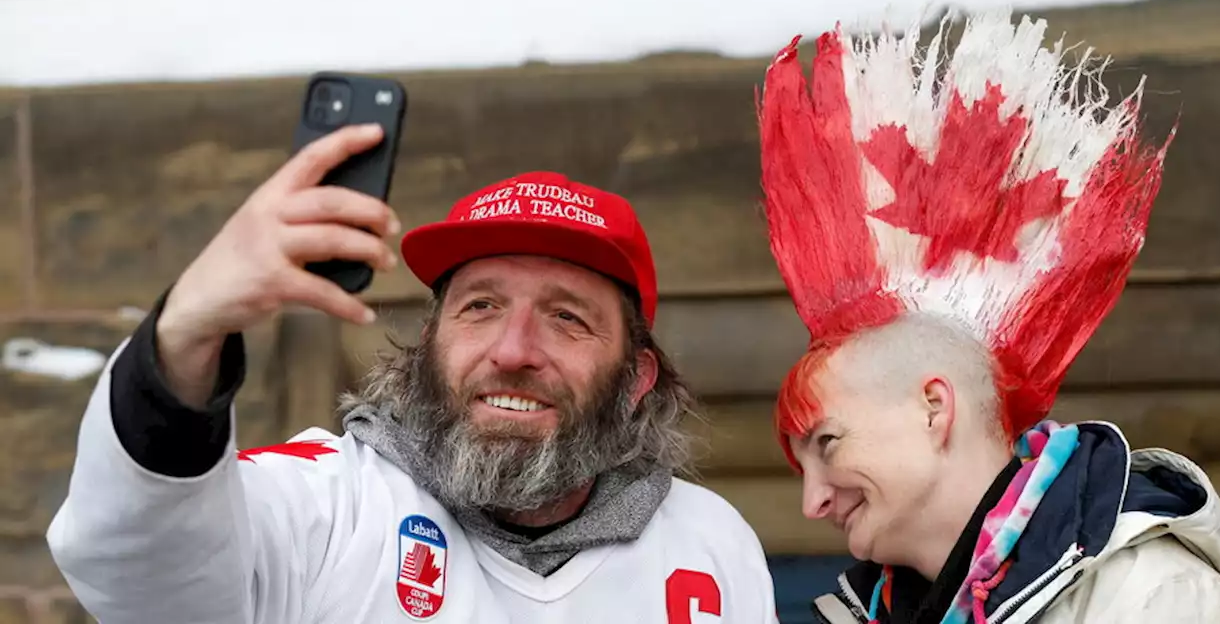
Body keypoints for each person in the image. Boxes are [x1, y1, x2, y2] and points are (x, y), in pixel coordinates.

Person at [46, 124, 779, 623]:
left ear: (638, 376)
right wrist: (186, 333)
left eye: (567, 318)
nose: (514, 348)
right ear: (430, 340)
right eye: (481, 306)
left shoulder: (712, 543)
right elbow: (145, 577)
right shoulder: (326, 506)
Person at [754, 11, 1220, 624]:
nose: (812, 502)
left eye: (828, 444)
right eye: (802, 467)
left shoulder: (1156, 603)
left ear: (934, 410)